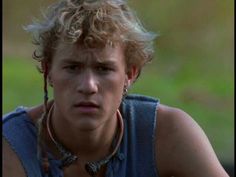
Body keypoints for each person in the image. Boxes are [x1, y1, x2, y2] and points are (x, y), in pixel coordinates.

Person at [3, 0, 229, 177]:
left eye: (103, 69)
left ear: (130, 74)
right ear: (48, 70)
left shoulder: (167, 134)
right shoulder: (11, 147)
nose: (88, 86)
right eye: (72, 67)